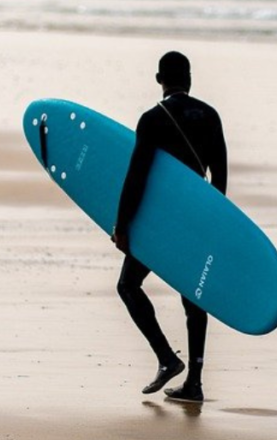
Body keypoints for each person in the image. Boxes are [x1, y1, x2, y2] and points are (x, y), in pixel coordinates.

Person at [112, 51, 227, 404]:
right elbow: (219, 175)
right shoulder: (210, 115)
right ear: (189, 78)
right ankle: (194, 381)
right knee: (193, 299)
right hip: (196, 218)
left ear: (159, 79)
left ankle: (166, 358)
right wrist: (211, 218)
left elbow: (137, 177)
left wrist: (123, 225)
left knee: (129, 285)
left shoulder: (152, 119)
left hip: (160, 221)